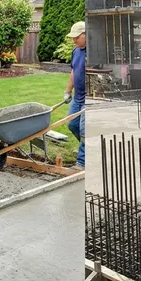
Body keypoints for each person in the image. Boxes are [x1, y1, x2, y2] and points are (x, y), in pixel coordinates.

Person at [64, 21, 86, 170]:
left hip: (90, 98)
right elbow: (74, 72)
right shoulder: (75, 51)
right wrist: (67, 91)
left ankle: (82, 162)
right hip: (78, 97)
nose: (74, 40)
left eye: (77, 37)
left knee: (85, 129)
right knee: (72, 124)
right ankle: (87, 148)